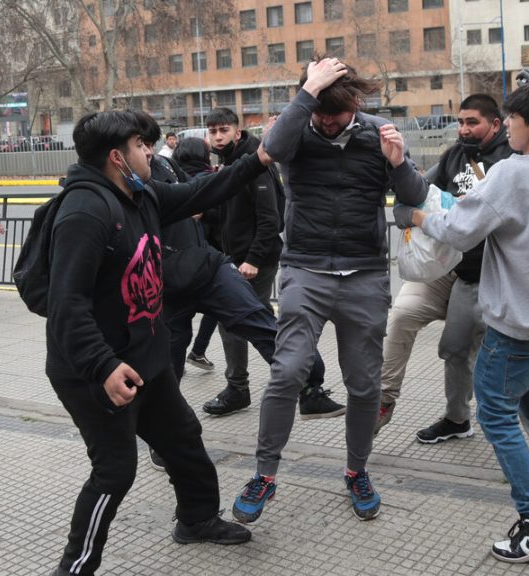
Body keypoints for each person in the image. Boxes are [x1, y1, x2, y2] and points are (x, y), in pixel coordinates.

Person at [397, 81, 529, 564]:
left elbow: (458, 228)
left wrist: (416, 215)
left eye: (514, 120)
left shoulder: (511, 174)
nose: (507, 127)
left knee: (496, 414)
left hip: (513, 317)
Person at [45, 110, 265, 575]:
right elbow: (67, 305)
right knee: (115, 470)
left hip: (145, 358)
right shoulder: (86, 211)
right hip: (97, 372)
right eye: (140, 145)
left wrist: (260, 157)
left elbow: (205, 190)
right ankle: (73, 568)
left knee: (183, 438)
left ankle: (197, 519)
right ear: (116, 157)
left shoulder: (140, 196)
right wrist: (103, 366)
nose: (150, 150)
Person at [230, 56, 428, 525]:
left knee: (363, 384)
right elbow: (270, 149)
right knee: (287, 372)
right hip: (306, 269)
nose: (325, 120)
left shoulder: (379, 132)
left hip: (363, 273)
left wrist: (398, 164)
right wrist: (307, 92)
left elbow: (416, 195)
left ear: (355, 104)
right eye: (319, 110)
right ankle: (265, 474)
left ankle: (357, 470)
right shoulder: (296, 126)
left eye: (334, 114)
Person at [380, 93, 529, 484]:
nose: (464, 129)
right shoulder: (454, 155)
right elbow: (421, 187)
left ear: (499, 124)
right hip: (451, 269)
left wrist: (417, 216)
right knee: (427, 332)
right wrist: (397, 166)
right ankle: (434, 412)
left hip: (492, 278)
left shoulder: (512, 166)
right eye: (460, 121)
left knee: (505, 374)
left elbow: (459, 227)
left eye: (473, 122)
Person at [203, 107, 345, 419]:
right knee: (260, 324)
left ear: (237, 133)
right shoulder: (228, 163)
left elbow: (270, 218)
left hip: (254, 262)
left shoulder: (254, 163)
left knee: (246, 325)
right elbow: (230, 216)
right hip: (234, 260)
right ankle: (306, 384)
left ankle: (282, 386)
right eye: (212, 131)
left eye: (223, 130)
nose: (217, 136)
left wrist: (252, 260)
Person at [172, 137, 219, 371]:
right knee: (217, 307)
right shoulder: (207, 180)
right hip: (204, 257)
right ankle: (198, 350)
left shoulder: (173, 181)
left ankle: (180, 363)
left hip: (177, 263)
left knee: (178, 324)